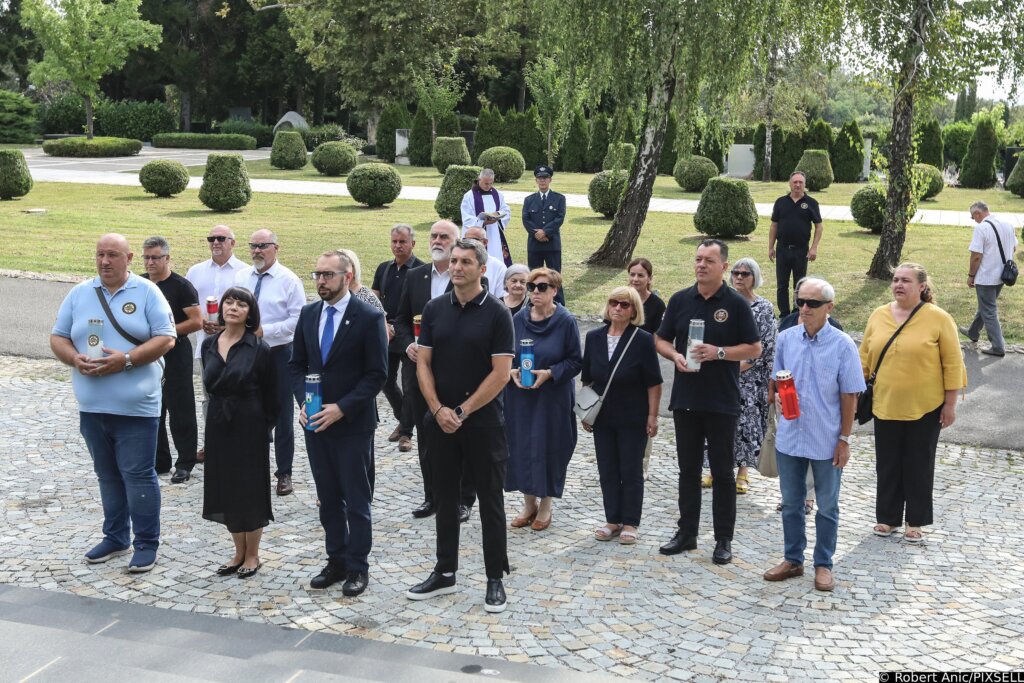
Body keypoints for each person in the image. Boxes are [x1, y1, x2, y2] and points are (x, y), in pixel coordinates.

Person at [50, 233, 176, 572]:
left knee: (138, 476)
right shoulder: (80, 293)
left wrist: (128, 360)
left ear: (129, 257)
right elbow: (58, 336)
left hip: (136, 408)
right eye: (100, 254)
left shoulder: (147, 291)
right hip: (92, 407)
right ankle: (116, 536)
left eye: (112, 255)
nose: (105, 261)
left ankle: (147, 543)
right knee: (107, 475)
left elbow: (167, 337)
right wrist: (75, 358)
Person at [407, 239, 514, 613]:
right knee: (446, 498)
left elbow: (501, 375)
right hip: (440, 422)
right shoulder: (434, 309)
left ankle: (495, 577)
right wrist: (437, 410)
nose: (456, 267)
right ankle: (445, 571)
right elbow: (423, 363)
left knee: (490, 500)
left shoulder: (498, 314)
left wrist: (463, 411)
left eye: (465, 262)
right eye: (453, 261)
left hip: (483, 423)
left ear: (482, 269)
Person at [655, 239, 761, 565]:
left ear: (724, 267)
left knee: (722, 473)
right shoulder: (680, 299)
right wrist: (674, 355)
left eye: (709, 261)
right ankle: (686, 533)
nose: (701, 265)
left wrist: (719, 353)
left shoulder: (736, 304)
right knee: (687, 470)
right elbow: (660, 338)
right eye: (698, 259)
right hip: (686, 398)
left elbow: (755, 348)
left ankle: (723, 539)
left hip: (721, 400)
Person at [290, 250, 388, 596]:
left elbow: (378, 374)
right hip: (315, 422)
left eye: (328, 275)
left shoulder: (367, 316)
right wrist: (304, 402)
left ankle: (359, 566)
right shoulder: (308, 314)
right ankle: (337, 558)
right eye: (317, 274)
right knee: (328, 497)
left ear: (347, 277)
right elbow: (296, 365)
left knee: (356, 499)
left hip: (352, 423)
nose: (320, 281)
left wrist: (342, 408)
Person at [764, 278, 864, 592]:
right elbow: (776, 378)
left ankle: (824, 564)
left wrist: (844, 439)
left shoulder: (843, 344)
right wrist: (778, 394)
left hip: (826, 438)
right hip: (791, 435)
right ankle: (793, 559)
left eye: (812, 304)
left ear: (828, 308)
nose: (804, 309)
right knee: (791, 503)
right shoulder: (786, 338)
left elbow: (851, 395)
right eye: (800, 302)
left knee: (828, 506)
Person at [860, 263, 966, 544]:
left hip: (926, 406)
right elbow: (864, 359)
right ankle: (887, 518)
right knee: (888, 463)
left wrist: (950, 404)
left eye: (905, 280)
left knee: (919, 464)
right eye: (895, 280)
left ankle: (915, 521)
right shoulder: (878, 315)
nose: (898, 285)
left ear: (921, 286)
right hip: (886, 403)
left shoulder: (939, 318)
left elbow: (953, 364)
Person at [393, 221, 476, 521]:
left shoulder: (468, 276)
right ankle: (433, 496)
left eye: (445, 236)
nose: (438, 240)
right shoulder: (415, 276)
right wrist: (406, 346)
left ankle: (464, 499)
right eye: (434, 236)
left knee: (462, 436)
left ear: (457, 243)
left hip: (457, 373)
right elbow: (401, 320)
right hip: (419, 370)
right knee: (428, 437)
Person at [201, 286, 279, 579]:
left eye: (240, 304)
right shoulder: (208, 344)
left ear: (250, 313)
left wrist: (262, 427)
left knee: (249, 486)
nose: (233, 308)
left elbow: (273, 397)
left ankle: (253, 554)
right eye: (228, 302)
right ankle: (237, 551)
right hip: (219, 422)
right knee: (226, 485)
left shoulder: (260, 349)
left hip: (250, 423)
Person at [581, 286, 662, 545]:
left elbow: (654, 382)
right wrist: (585, 412)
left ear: (634, 310)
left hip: (633, 415)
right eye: (614, 302)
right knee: (607, 469)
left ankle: (630, 522)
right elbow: (588, 379)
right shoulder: (594, 337)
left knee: (630, 469)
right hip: (602, 417)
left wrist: (652, 416)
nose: (617, 307)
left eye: (624, 304)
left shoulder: (642, 340)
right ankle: (612, 519)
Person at [504, 268, 582, 531]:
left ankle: (546, 504)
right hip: (521, 396)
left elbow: (575, 361)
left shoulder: (566, 321)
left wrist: (550, 373)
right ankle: (528, 504)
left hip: (552, 396)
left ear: (554, 291)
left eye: (542, 287)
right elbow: (506, 354)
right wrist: (512, 371)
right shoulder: (518, 319)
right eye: (531, 287)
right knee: (521, 445)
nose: (535, 292)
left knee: (550, 446)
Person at [234, 229, 305, 496]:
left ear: (276, 247)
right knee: (250, 410)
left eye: (263, 245)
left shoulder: (289, 280)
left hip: (279, 353)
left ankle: (284, 472)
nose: (256, 250)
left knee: (283, 414)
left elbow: (298, 321)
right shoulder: (241, 277)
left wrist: (267, 330)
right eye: (253, 245)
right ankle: (253, 467)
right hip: (247, 352)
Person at [701, 257, 777, 495]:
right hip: (720, 373)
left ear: (755, 278)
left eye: (745, 273)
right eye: (736, 272)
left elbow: (765, 346)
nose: (739, 277)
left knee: (747, 425)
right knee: (717, 423)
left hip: (751, 378)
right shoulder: (722, 303)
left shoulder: (763, 307)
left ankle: (743, 472)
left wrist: (735, 365)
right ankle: (715, 469)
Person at [141, 236, 202, 483]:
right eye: (146, 257)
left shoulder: (181, 286)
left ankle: (185, 462)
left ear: (167, 258)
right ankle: (160, 460)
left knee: (180, 408)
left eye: (155, 257)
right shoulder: (139, 284)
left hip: (176, 354)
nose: (150, 262)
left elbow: (196, 321)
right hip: (148, 355)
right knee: (153, 408)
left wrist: (165, 333)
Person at [186, 225, 249, 464]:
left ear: (233, 242)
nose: (215, 242)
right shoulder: (195, 271)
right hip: (206, 344)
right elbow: (189, 306)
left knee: (238, 394)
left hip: (238, 344)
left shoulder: (244, 272)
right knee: (208, 396)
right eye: (211, 238)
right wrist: (200, 322)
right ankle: (211, 441)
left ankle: (239, 440)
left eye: (221, 238)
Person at [371, 225, 424, 452]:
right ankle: (404, 419)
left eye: (402, 241)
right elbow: (374, 299)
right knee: (385, 380)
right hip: (386, 333)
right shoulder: (384, 268)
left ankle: (406, 433)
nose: (397, 246)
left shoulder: (422, 270)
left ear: (413, 243)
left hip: (411, 334)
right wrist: (383, 324)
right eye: (394, 241)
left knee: (410, 385)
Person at [959, 201, 1018, 357]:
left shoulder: (981, 228)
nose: (974, 220)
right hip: (1003, 275)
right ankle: (973, 332)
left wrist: (971, 276)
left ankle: (998, 346)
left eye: (973, 217)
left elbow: (976, 256)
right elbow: (1013, 247)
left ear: (978, 213)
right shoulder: (1007, 224)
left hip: (986, 276)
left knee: (989, 310)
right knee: (986, 305)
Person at [768, 171, 824, 314]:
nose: (797, 185)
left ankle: (797, 312)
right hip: (782, 250)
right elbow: (774, 225)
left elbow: (819, 226)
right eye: (795, 182)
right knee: (782, 285)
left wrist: (814, 248)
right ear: (790, 183)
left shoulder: (811, 203)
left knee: (799, 285)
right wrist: (770, 247)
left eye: (800, 182)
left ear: (804, 185)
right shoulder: (780, 202)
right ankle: (784, 313)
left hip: (801, 251)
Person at [522, 165, 566, 304]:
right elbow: (526, 219)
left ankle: (558, 303)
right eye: (540, 178)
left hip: (552, 243)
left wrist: (545, 232)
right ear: (536, 180)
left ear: (550, 180)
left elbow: (559, 218)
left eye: (545, 178)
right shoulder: (529, 200)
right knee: (534, 275)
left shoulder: (559, 198)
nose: (542, 181)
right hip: (535, 244)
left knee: (554, 275)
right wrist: (537, 234)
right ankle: (534, 302)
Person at [461, 168, 512, 265]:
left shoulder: (497, 194)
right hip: (477, 236)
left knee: (496, 260)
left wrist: (497, 215)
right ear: (479, 179)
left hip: (495, 234)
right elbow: (466, 217)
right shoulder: (469, 196)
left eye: (490, 183)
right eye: (485, 183)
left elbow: (506, 210)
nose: (488, 186)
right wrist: (482, 222)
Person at [463, 225, 507, 298]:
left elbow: (502, 296)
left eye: (474, 240)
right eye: (466, 240)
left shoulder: (498, 267)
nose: (469, 244)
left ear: (485, 242)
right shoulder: (457, 264)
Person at [627, 257, 666, 336]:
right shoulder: (619, 299)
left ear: (649, 279)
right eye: (632, 274)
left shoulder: (658, 305)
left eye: (640, 275)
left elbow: (658, 338)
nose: (635, 279)